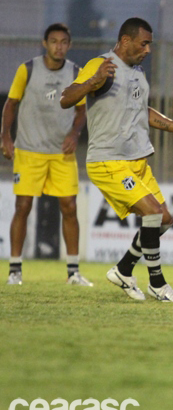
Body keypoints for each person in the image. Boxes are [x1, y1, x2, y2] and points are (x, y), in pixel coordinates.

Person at [60, 17, 173, 303]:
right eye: (144, 44)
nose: (148, 50)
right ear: (126, 40)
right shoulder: (101, 65)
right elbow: (66, 98)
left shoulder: (138, 72)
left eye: (150, 45)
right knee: (152, 213)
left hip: (137, 161)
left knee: (164, 219)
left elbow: (145, 112)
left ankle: (123, 269)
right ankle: (158, 283)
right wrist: (93, 82)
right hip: (109, 160)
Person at [1, 23, 92, 287]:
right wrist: (5, 136)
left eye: (64, 42)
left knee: (70, 207)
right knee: (23, 207)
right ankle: (15, 270)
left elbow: (82, 110)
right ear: (45, 44)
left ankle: (73, 272)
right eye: (54, 41)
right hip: (29, 150)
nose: (59, 46)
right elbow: (11, 103)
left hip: (60, 153)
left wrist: (75, 134)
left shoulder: (76, 72)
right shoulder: (27, 69)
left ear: (69, 45)